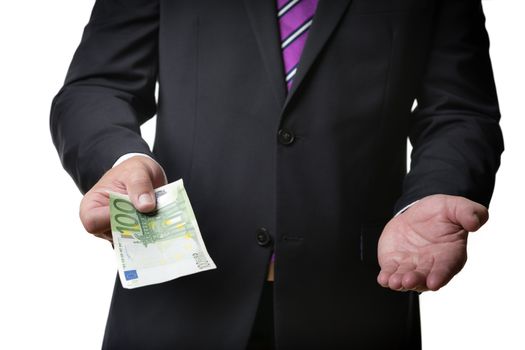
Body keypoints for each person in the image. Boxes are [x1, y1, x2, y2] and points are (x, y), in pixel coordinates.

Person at [49, 0, 504, 349]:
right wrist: (119, 160)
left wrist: (436, 191)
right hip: (176, 296)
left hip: (354, 302)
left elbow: (461, 110)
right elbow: (98, 86)